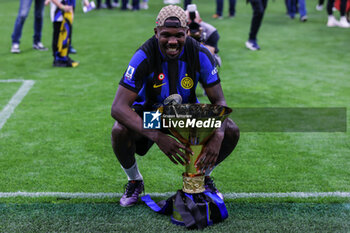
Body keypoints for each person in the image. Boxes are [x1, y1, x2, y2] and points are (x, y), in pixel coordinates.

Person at [111, 5, 240, 207]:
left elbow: (219, 102)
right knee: (119, 130)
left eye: (179, 35)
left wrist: (219, 135)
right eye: (166, 35)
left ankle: (202, 178)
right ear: (156, 33)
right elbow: (118, 108)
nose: (172, 41)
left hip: (185, 114)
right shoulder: (144, 55)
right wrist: (158, 136)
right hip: (151, 116)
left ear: (187, 32)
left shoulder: (200, 53)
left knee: (230, 129)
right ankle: (135, 181)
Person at [49, 0, 86, 67]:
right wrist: (61, 6)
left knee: (66, 34)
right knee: (58, 35)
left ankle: (64, 57)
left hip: (67, 8)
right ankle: (57, 60)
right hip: (58, 10)